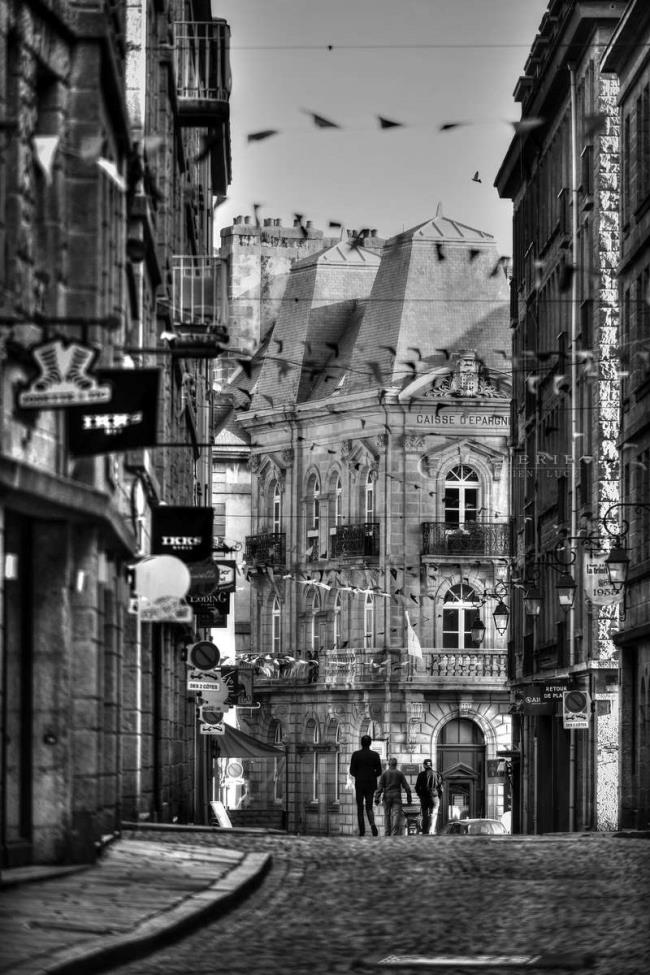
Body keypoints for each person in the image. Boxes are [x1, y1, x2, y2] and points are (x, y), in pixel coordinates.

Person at [349, 734, 382, 836]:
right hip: (371, 784)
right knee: (369, 807)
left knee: (360, 807)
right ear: (370, 743)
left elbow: (352, 771)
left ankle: (362, 831)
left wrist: (359, 775)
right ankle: (372, 825)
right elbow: (379, 771)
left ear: (361, 743)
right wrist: (372, 775)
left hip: (360, 783)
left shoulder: (356, 754)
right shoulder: (375, 755)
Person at [375, 757, 412, 836]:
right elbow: (407, 787)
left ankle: (387, 833)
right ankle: (394, 834)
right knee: (396, 815)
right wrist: (409, 798)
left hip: (387, 796)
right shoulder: (400, 773)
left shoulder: (384, 774)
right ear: (396, 764)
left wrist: (376, 798)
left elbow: (380, 787)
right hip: (397, 796)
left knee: (387, 815)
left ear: (389, 764)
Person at [415, 758, 443, 835]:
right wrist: (438, 797)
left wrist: (420, 795)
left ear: (424, 765)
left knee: (424, 815)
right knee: (433, 814)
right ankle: (431, 831)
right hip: (434, 797)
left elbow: (417, 787)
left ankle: (425, 831)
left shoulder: (421, 775)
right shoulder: (437, 774)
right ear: (431, 765)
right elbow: (441, 788)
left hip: (424, 797)